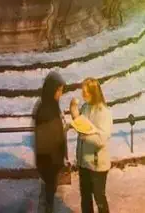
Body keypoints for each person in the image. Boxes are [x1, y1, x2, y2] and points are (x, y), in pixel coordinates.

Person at [67, 77, 112, 213]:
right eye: (82, 91)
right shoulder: (86, 107)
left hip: (97, 165)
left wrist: (84, 135)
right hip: (84, 162)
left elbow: (102, 139)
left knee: (99, 199)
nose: (83, 95)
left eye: (86, 92)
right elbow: (81, 123)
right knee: (85, 198)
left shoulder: (103, 112)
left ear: (94, 92)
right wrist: (73, 110)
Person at [30, 73, 68, 211]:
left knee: (48, 193)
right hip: (49, 160)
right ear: (52, 90)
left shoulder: (49, 105)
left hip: (50, 159)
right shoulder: (47, 109)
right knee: (49, 196)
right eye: (59, 91)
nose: (60, 94)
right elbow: (47, 137)